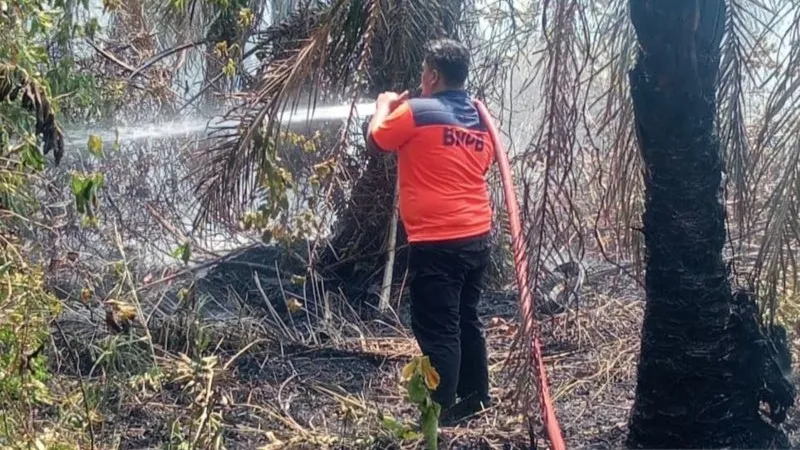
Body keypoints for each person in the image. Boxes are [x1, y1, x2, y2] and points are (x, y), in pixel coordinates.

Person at [365, 38, 495, 425]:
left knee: (438, 328)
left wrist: (383, 106)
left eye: (424, 73)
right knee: (465, 318)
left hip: (437, 243)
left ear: (434, 75)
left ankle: (440, 413)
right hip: (476, 237)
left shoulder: (413, 111)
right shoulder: (479, 119)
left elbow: (377, 140)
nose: (421, 80)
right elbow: (484, 165)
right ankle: (476, 398)